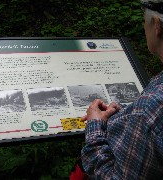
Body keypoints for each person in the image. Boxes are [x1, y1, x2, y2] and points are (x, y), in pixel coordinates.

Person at [70, 0, 163, 179]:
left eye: (144, 19)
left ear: (157, 25)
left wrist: (95, 125)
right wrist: (126, 115)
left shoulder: (148, 110)